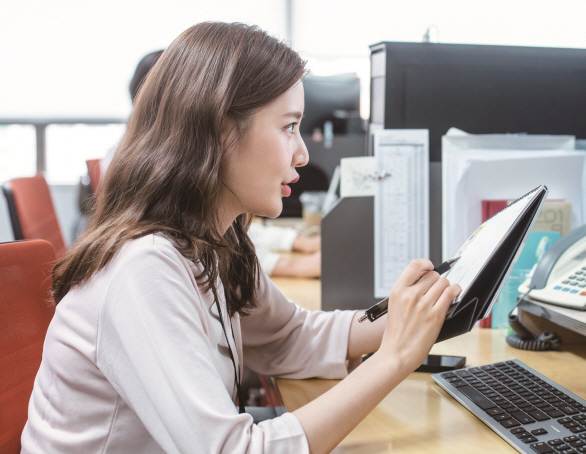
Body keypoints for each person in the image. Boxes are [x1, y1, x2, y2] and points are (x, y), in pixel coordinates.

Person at [21, 22, 461, 454]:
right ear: (221, 132)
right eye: (288, 127)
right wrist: (393, 358)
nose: (303, 153)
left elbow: (286, 335)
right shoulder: (144, 268)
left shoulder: (213, 241)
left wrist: (411, 315)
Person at [109, 49, 322, 278]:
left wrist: (294, 242)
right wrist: (292, 265)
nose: (303, 157)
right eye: (289, 127)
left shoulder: (212, 235)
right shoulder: (153, 264)